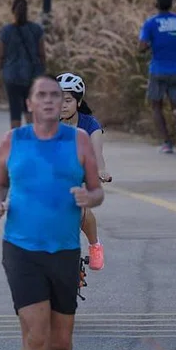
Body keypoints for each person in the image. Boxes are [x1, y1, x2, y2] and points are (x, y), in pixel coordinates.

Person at [0, 75, 105, 350]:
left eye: (57, 96)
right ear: (30, 104)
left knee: (61, 341)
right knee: (36, 336)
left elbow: (97, 189)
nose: (51, 102)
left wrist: (90, 199)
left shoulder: (80, 140)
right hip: (21, 249)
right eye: (43, 96)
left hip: (65, 250)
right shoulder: (13, 140)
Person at [56, 72, 111, 270]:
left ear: (78, 102)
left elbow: (97, 154)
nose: (62, 105)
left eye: (68, 100)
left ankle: (95, 245)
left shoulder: (90, 124)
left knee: (81, 207)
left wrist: (101, 170)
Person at [138, 0, 176, 154]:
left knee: (156, 106)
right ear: (171, 4)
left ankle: (166, 143)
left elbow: (141, 47)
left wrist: (151, 46)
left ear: (157, 5)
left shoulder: (151, 23)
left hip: (158, 70)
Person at [0, 0, 46, 129]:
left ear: (13, 10)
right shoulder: (36, 29)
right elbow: (42, 54)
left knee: (15, 110)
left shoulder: (6, 31)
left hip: (11, 75)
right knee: (29, 108)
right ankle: (32, 139)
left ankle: (17, 140)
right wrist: (43, 73)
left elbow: (1, 56)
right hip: (31, 75)